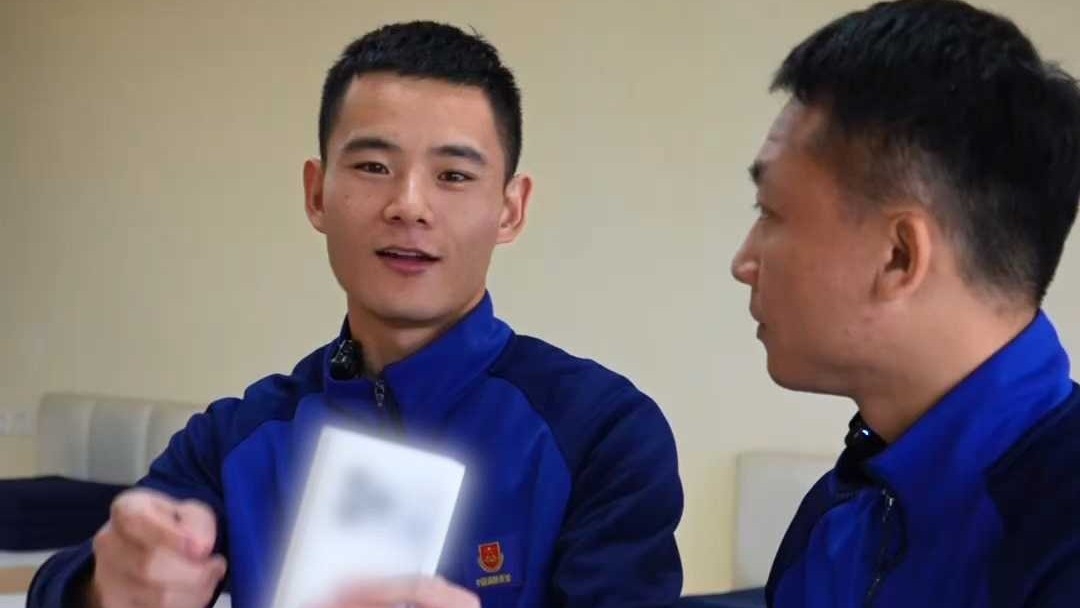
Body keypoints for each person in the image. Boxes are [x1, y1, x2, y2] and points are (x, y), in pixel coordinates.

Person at [28, 21, 683, 608]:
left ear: (510, 210)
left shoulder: (602, 431)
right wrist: (99, 590)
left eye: (454, 176)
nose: (409, 205)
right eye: (373, 166)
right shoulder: (238, 437)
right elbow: (82, 575)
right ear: (317, 193)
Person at [730, 0, 1080, 606]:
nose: (744, 263)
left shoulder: (1058, 535)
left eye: (771, 213)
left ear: (899, 257)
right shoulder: (841, 509)